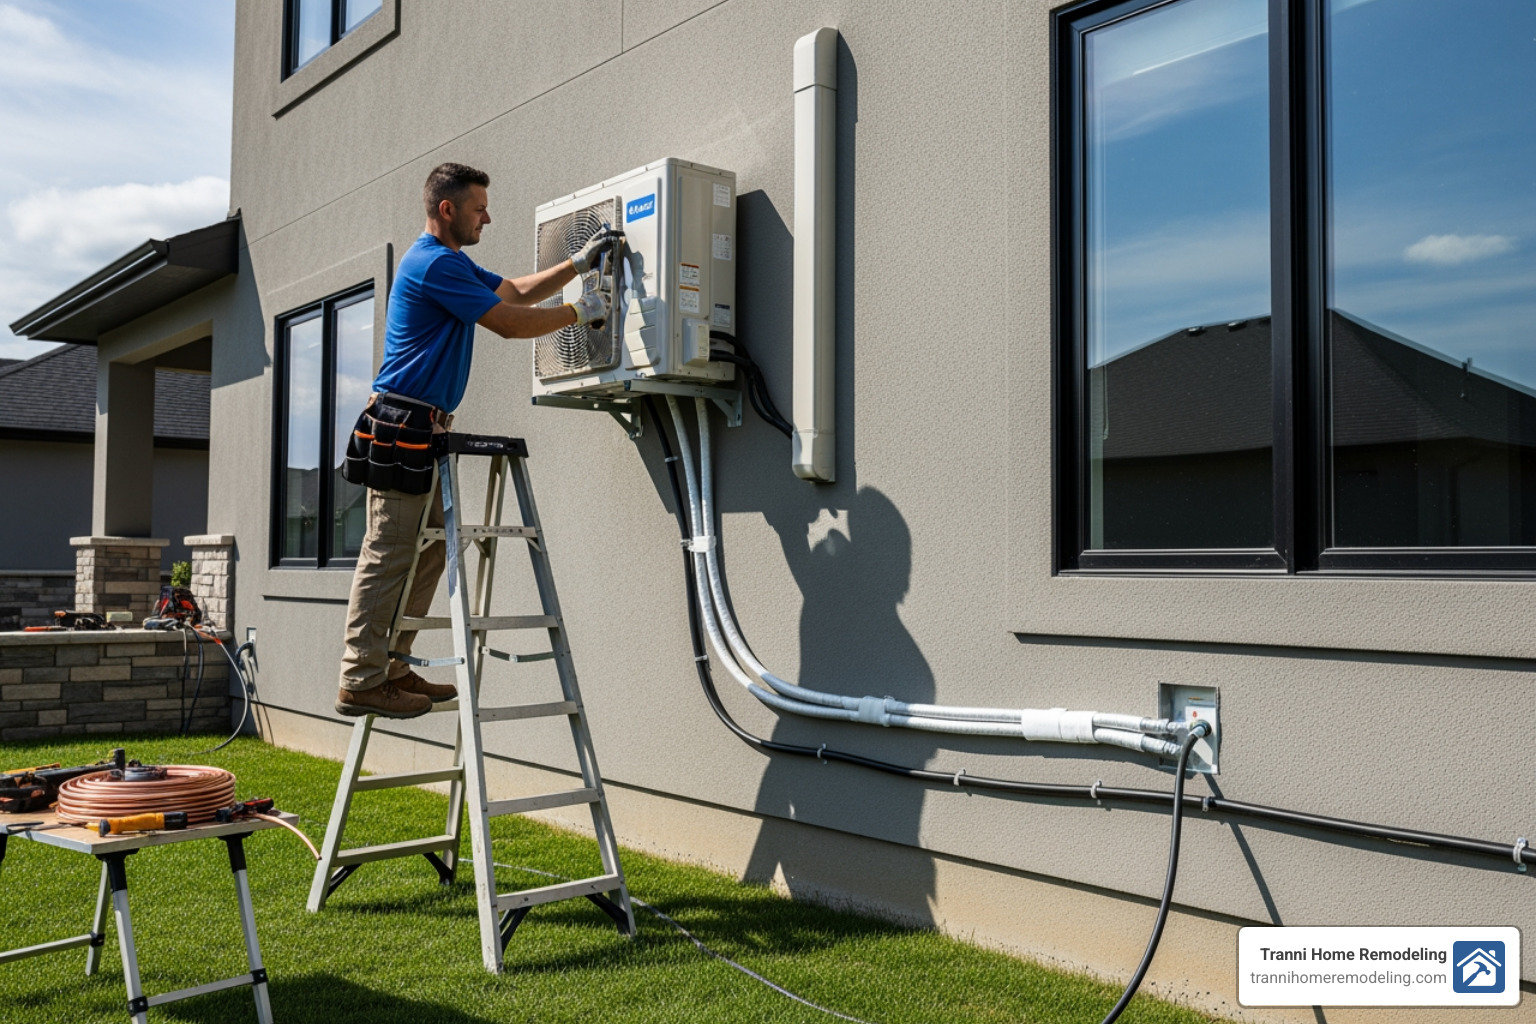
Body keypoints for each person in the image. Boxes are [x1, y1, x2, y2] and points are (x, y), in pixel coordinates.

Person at [335, 162, 619, 719]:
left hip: (423, 428)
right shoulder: (433, 264)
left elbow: (513, 292)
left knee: (430, 549)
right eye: (478, 208)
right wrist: (580, 312)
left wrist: (577, 265)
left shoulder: (454, 263)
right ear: (447, 209)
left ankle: (392, 663)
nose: (487, 217)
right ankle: (359, 678)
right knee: (388, 553)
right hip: (402, 425)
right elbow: (508, 322)